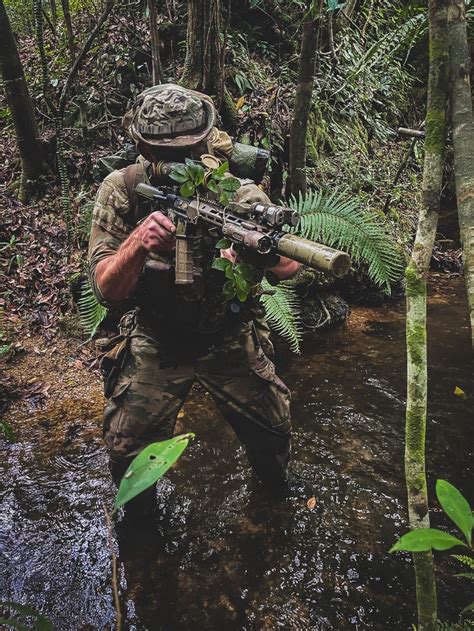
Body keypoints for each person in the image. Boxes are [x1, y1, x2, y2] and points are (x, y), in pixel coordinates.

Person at [88, 84, 300, 502]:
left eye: (188, 151)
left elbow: (289, 265)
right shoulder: (123, 190)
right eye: (165, 154)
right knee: (127, 453)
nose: (178, 163)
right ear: (143, 149)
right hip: (157, 337)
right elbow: (105, 289)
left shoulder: (236, 193)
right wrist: (138, 242)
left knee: (272, 433)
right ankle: (141, 530)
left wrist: (248, 249)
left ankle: (272, 504)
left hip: (228, 333)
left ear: (207, 141)